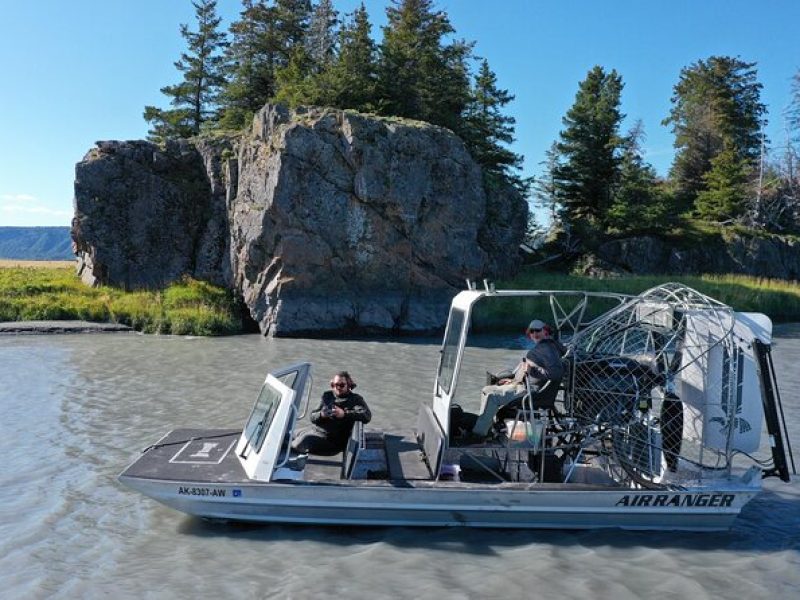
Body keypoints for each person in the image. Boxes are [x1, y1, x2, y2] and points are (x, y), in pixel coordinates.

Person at [471, 319, 565, 437]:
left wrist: (533, 371)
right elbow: (532, 369)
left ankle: (479, 435)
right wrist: (514, 381)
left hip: (533, 392)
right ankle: (485, 427)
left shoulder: (547, 348)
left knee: (492, 396)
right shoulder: (546, 347)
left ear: (545, 331)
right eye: (532, 331)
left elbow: (557, 372)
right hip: (526, 385)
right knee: (487, 389)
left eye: (538, 330)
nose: (535, 333)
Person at [291, 371, 371, 455]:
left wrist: (344, 414)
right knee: (286, 435)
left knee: (301, 441)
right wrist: (322, 414)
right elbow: (312, 417)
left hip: (332, 441)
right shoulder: (327, 395)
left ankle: (292, 460)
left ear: (349, 385)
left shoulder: (355, 399)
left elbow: (366, 415)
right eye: (335, 385)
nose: (338, 388)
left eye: (341, 385)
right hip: (314, 431)